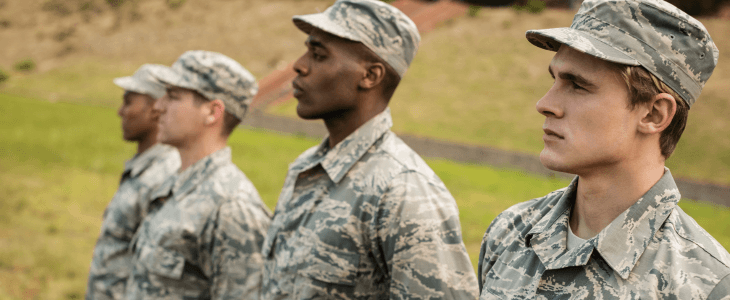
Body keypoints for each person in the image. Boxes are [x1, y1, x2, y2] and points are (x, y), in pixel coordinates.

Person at [478, 0, 729, 299]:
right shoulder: (510, 232)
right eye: (554, 79)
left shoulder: (704, 284)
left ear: (654, 114)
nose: (545, 104)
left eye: (578, 85)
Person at [260, 0, 478, 299]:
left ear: (370, 76)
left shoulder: (404, 191)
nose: (299, 65)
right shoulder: (305, 167)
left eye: (318, 54)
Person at [124, 50, 272, 299]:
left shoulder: (232, 208)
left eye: (172, 96)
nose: (158, 106)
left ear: (212, 112)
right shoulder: (174, 185)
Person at [86, 64, 181, 300]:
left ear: (156, 109)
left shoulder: (165, 175)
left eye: (129, 102)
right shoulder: (144, 167)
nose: (121, 111)